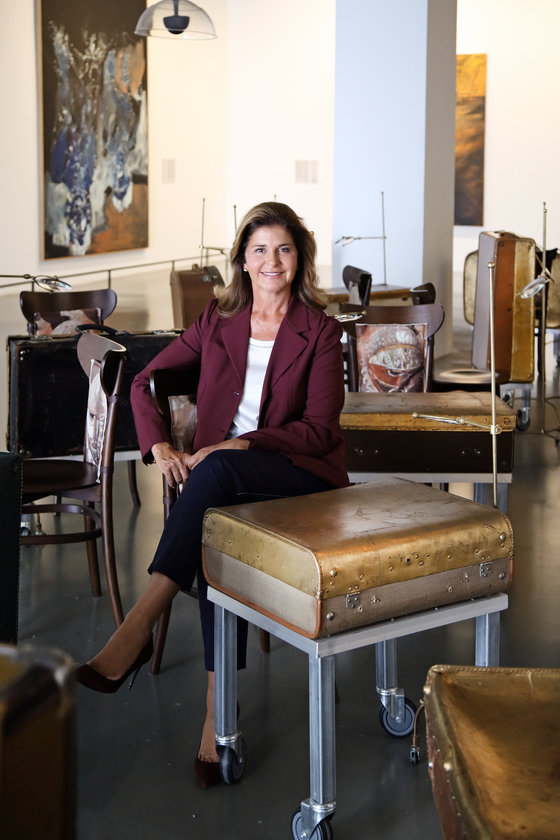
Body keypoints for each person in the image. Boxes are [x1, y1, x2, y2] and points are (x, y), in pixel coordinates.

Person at [77, 201, 349, 787]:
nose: (271, 260)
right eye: (260, 249)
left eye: (283, 249)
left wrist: (241, 444)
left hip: (298, 474)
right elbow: (145, 381)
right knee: (213, 514)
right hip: (217, 480)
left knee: (216, 478)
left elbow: (321, 431)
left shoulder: (321, 332)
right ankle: (217, 706)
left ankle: (140, 626)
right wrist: (159, 448)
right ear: (243, 260)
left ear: (298, 258)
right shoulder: (219, 320)